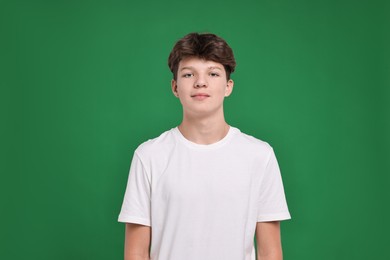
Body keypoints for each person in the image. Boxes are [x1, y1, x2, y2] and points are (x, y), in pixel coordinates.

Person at [118, 32, 291, 260]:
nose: (201, 82)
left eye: (213, 73)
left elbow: (270, 252)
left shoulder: (259, 155)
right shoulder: (149, 156)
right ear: (175, 87)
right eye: (189, 74)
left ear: (228, 86)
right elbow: (136, 253)